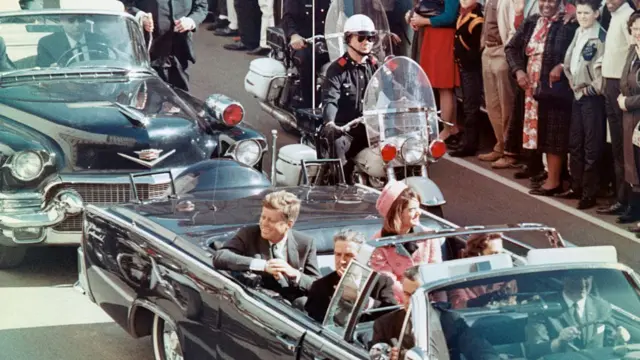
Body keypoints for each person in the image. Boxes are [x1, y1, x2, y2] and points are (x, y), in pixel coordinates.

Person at [505, 0, 578, 197]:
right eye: (543, 0)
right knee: (539, 131)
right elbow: (511, 48)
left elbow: (577, 50)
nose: (547, 5)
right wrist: (518, 71)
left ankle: (554, 180)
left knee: (555, 132)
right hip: (530, 87)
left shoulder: (569, 23)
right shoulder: (532, 22)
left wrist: (562, 66)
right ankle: (547, 174)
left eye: (551, 1)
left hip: (555, 88)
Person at [213, 190, 321, 301]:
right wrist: (263, 265)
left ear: (288, 224)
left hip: (292, 311)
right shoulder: (249, 234)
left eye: (271, 220)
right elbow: (220, 257)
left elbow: (319, 287)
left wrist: (295, 274)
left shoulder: (305, 243)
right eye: (263, 217)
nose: (264, 223)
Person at [320, 14, 380, 184]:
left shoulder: (375, 65)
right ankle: (341, 188)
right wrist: (330, 123)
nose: (366, 41)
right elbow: (330, 99)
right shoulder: (337, 69)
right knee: (338, 144)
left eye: (371, 37)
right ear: (348, 39)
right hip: (346, 130)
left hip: (372, 129)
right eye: (361, 37)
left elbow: (390, 89)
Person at [560, 0, 607, 210]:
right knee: (575, 143)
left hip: (591, 97)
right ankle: (576, 185)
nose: (582, 16)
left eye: (586, 13)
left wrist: (589, 89)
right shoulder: (579, 32)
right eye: (579, 12)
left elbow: (602, 71)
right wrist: (572, 82)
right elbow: (570, 61)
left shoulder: (600, 36)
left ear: (597, 13)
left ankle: (590, 193)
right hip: (577, 94)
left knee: (591, 146)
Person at [370, 181, 443, 304]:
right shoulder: (378, 243)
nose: (418, 213)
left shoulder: (428, 236)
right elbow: (388, 281)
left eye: (418, 208)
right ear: (397, 213)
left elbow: (436, 270)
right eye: (412, 210)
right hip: (397, 304)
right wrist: (413, 299)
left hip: (430, 299)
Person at [525, 274, 630, 358]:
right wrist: (559, 341)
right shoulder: (542, 308)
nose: (583, 284)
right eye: (576, 278)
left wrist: (619, 336)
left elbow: (610, 340)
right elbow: (535, 349)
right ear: (563, 279)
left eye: (586, 277)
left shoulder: (601, 306)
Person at [305, 229, 397, 323]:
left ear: (363, 257)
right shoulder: (320, 287)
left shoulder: (380, 282)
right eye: (338, 254)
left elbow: (393, 315)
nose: (341, 261)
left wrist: (362, 300)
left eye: (348, 255)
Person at [596, 0, 635, 219]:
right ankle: (621, 197)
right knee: (617, 146)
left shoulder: (628, 16)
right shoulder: (615, 15)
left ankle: (626, 199)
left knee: (623, 147)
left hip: (620, 85)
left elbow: (633, 51)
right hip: (610, 82)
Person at [123, 0, 208, 91]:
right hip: (149, 53)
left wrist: (191, 21)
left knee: (180, 98)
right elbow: (125, 4)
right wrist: (140, 16)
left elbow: (202, 6)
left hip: (179, 52)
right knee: (148, 98)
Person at [448, 0, 485, 157]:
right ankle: (468, 140)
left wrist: (468, 61)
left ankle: (470, 144)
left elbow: (475, 48)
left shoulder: (477, 19)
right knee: (467, 105)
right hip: (464, 66)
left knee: (471, 106)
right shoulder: (464, 14)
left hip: (471, 68)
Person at [281, 0, 331, 108]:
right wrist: (293, 35)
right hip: (304, 42)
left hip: (329, 41)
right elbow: (287, 17)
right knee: (307, 59)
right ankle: (308, 105)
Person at [448, 233, 518, 309]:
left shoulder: (508, 278)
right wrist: (484, 300)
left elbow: (513, 305)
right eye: (494, 253)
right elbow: (458, 306)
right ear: (478, 255)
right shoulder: (459, 279)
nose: (500, 258)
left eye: (501, 253)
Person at [619, 11, 640, 233]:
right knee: (632, 163)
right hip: (629, 114)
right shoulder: (632, 51)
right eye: (634, 29)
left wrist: (628, 101)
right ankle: (634, 208)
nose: (637, 33)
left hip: (635, 111)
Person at [36, 15, 111, 68]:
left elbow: (107, 65)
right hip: (64, 88)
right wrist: (51, 70)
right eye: (71, 20)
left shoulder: (98, 40)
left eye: (81, 19)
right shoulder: (47, 43)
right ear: (62, 21)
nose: (77, 24)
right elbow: (42, 74)